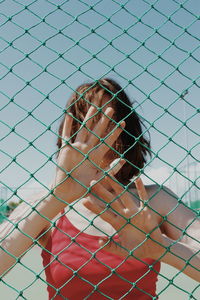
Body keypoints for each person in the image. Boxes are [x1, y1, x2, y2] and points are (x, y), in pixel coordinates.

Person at [0, 79, 199, 300]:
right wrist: (57, 198)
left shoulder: (154, 200)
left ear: (127, 132)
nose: (100, 136)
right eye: (87, 125)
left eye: (109, 123)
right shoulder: (50, 204)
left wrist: (163, 247)